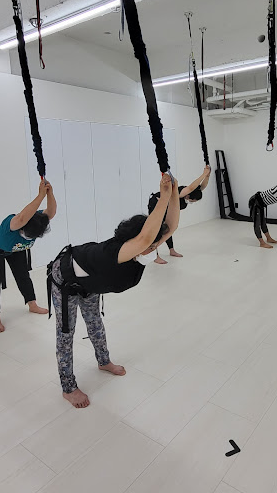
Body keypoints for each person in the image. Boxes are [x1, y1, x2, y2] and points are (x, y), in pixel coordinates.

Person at [48, 173, 179, 409]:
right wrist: (163, 197)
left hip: (89, 282)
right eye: (151, 243)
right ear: (136, 241)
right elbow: (146, 238)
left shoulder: (141, 250)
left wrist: (174, 193)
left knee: (95, 323)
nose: (154, 247)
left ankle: (103, 361)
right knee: (66, 333)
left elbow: (171, 227)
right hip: (65, 279)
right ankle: (68, 388)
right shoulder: (117, 253)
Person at [0, 180, 57, 333]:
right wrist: (40, 195)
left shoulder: (37, 222)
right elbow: (21, 218)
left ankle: (32, 304)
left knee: (23, 275)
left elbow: (50, 213)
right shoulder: (12, 224)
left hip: (14, 249)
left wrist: (49, 193)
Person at [147, 165, 211, 264]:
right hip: (157, 203)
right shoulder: (181, 193)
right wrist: (203, 174)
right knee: (157, 229)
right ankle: (155, 255)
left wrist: (207, 176)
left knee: (168, 228)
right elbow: (191, 187)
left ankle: (171, 250)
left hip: (167, 208)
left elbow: (202, 186)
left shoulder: (193, 193)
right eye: (192, 201)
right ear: (187, 196)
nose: (191, 203)